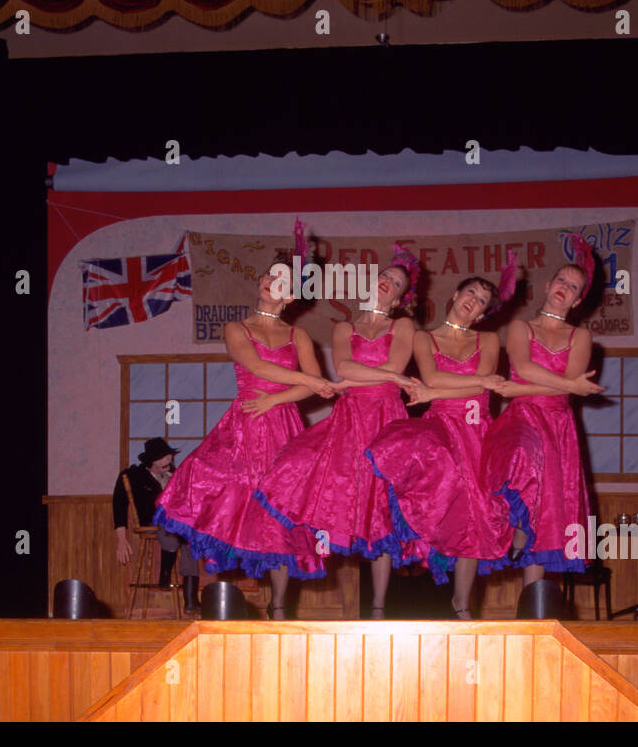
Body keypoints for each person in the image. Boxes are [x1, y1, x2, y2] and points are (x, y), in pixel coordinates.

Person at [155, 229, 337, 620]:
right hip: (245, 424)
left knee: (283, 512)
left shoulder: (298, 333)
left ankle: (280, 605)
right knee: (227, 498)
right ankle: (215, 603)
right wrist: (307, 380)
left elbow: (309, 389)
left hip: (283, 424)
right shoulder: (237, 328)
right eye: (270, 275)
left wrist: (278, 397)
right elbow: (256, 367)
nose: (272, 281)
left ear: (291, 296)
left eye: (282, 281)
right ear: (261, 283)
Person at [253, 248, 421, 619]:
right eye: (386, 276)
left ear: (397, 299)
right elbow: (344, 365)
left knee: (381, 512)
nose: (388, 282)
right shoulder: (344, 327)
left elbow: (391, 363)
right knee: (295, 478)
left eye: (396, 283)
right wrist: (391, 376)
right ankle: (279, 602)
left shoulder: (403, 327)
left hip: (387, 419)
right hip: (349, 418)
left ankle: (377, 608)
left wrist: (386, 374)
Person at [366, 271, 517, 619]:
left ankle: (461, 604)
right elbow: (433, 377)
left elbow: (480, 393)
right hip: (441, 427)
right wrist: (468, 382)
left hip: (477, 428)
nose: (474, 300)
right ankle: (380, 602)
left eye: (481, 300)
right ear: (456, 293)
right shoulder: (424, 337)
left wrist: (436, 392)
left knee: (478, 514)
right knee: (417, 476)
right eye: (471, 291)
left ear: (481, 314)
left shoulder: (490, 339)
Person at [479, 235, 607, 587]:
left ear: (579, 299)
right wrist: (569, 387)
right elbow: (526, 365)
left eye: (574, 286)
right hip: (523, 417)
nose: (565, 287)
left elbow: (565, 380)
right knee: (519, 460)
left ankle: (531, 606)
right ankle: (513, 531)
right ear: (549, 285)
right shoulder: (521, 327)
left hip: (559, 424)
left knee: (548, 511)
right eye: (562, 280)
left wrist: (521, 387)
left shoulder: (580, 336)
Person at [112, 437, 199, 614]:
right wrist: (121, 538)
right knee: (171, 531)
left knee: (190, 539)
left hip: (176, 522)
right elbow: (119, 504)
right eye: (164, 464)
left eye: (170, 462)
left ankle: (190, 600)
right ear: (152, 463)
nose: (168, 466)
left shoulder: (173, 475)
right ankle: (165, 574)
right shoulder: (135, 476)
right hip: (154, 521)